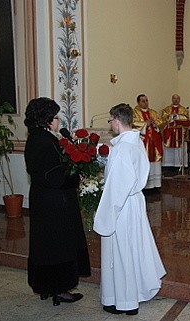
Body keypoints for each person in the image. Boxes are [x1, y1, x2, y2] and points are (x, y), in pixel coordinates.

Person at [94, 103, 166, 316]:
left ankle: (124, 301)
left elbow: (117, 188)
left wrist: (105, 214)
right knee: (132, 250)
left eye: (110, 121)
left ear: (116, 120)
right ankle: (129, 295)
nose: (111, 125)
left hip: (122, 206)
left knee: (121, 252)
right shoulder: (137, 143)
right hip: (134, 203)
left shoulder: (122, 149)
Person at [24, 97, 90, 306]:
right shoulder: (45, 142)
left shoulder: (35, 138)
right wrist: (75, 178)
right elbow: (54, 177)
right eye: (55, 117)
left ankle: (46, 286)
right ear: (46, 120)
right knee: (58, 245)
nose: (58, 121)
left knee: (45, 244)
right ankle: (60, 288)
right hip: (55, 203)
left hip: (42, 199)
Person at [132, 94, 165, 189]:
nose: (145, 102)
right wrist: (145, 124)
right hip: (144, 140)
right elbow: (133, 123)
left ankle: (156, 184)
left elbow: (160, 122)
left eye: (146, 100)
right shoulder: (135, 113)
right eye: (143, 101)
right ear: (138, 102)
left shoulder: (153, 112)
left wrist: (155, 125)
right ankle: (146, 186)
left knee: (155, 160)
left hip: (154, 140)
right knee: (145, 160)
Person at [161, 94, 190, 167]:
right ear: (172, 99)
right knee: (168, 147)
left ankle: (179, 164)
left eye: (177, 98)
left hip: (179, 131)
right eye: (174, 98)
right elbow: (163, 119)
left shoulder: (184, 110)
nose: (176, 100)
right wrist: (171, 116)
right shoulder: (166, 109)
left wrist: (177, 116)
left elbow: (186, 119)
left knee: (179, 148)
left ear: (179, 100)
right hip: (169, 132)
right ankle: (168, 164)